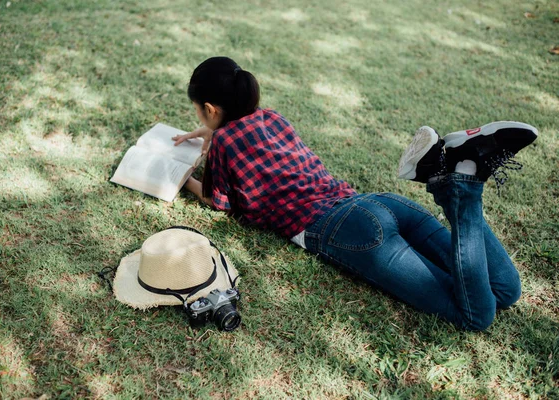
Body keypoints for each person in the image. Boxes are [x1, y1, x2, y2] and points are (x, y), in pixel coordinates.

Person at [172, 56, 538, 331]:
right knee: (505, 290)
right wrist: (212, 134)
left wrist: (185, 174)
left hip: (349, 230)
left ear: (209, 109)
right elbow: (246, 135)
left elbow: (216, 202)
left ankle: (463, 191)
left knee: (475, 314)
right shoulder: (272, 117)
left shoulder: (222, 141)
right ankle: (455, 177)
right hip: (378, 203)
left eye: (200, 114)